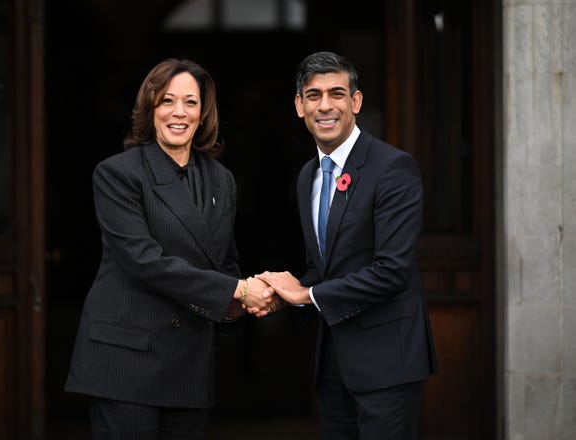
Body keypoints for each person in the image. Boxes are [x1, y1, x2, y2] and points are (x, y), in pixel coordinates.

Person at [65, 58, 275, 440]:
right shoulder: (118, 173)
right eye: (167, 101)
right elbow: (145, 262)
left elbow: (225, 263)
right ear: (151, 109)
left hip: (188, 366)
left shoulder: (221, 180)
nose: (179, 113)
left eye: (190, 102)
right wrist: (239, 290)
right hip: (127, 364)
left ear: (203, 112)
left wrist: (237, 306)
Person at [257, 51, 438, 439]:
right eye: (313, 94)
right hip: (334, 366)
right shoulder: (307, 176)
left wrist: (306, 295)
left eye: (336, 94)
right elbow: (322, 268)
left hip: (388, 364)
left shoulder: (393, 168)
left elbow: (392, 271)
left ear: (355, 101)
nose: (325, 106)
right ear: (299, 105)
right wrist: (280, 292)